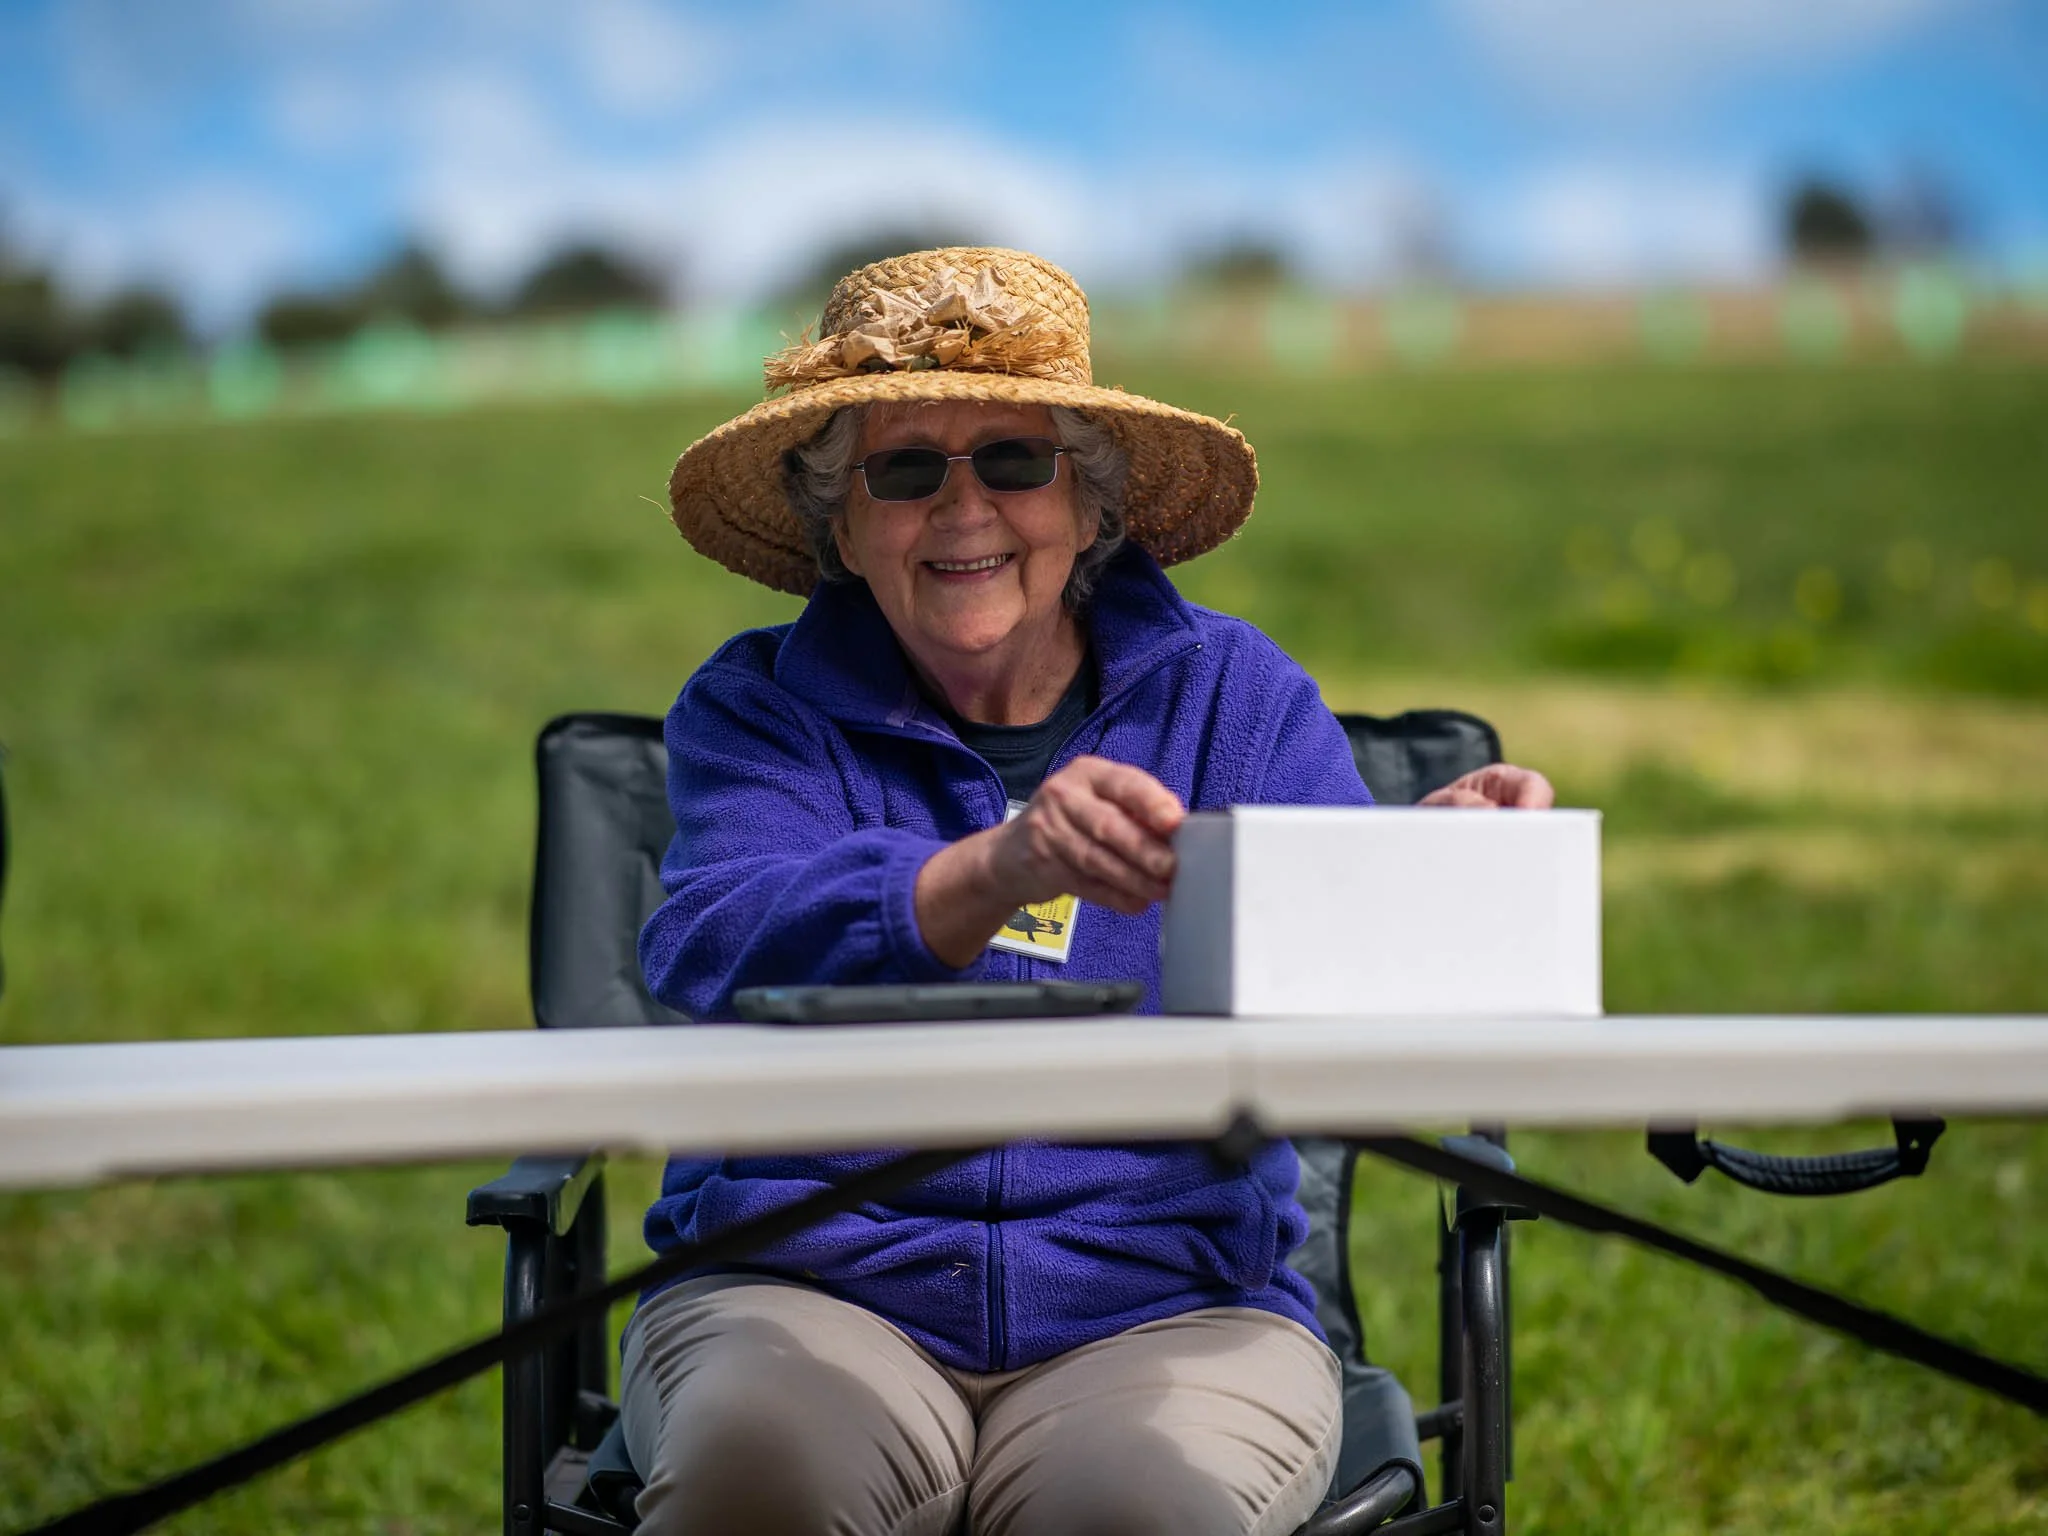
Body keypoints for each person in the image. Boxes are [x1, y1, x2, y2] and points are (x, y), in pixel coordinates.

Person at [626, 247, 1552, 1536]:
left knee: (1131, 1515)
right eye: (905, 471)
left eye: (1014, 461)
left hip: (1166, 1302)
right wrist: (989, 872)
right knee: (754, 1485)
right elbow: (721, 943)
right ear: (839, 523)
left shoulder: (1232, 693)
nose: (965, 513)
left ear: (1089, 504)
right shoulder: (755, 709)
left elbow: (1345, 984)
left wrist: (1430, 870)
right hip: (804, 1289)